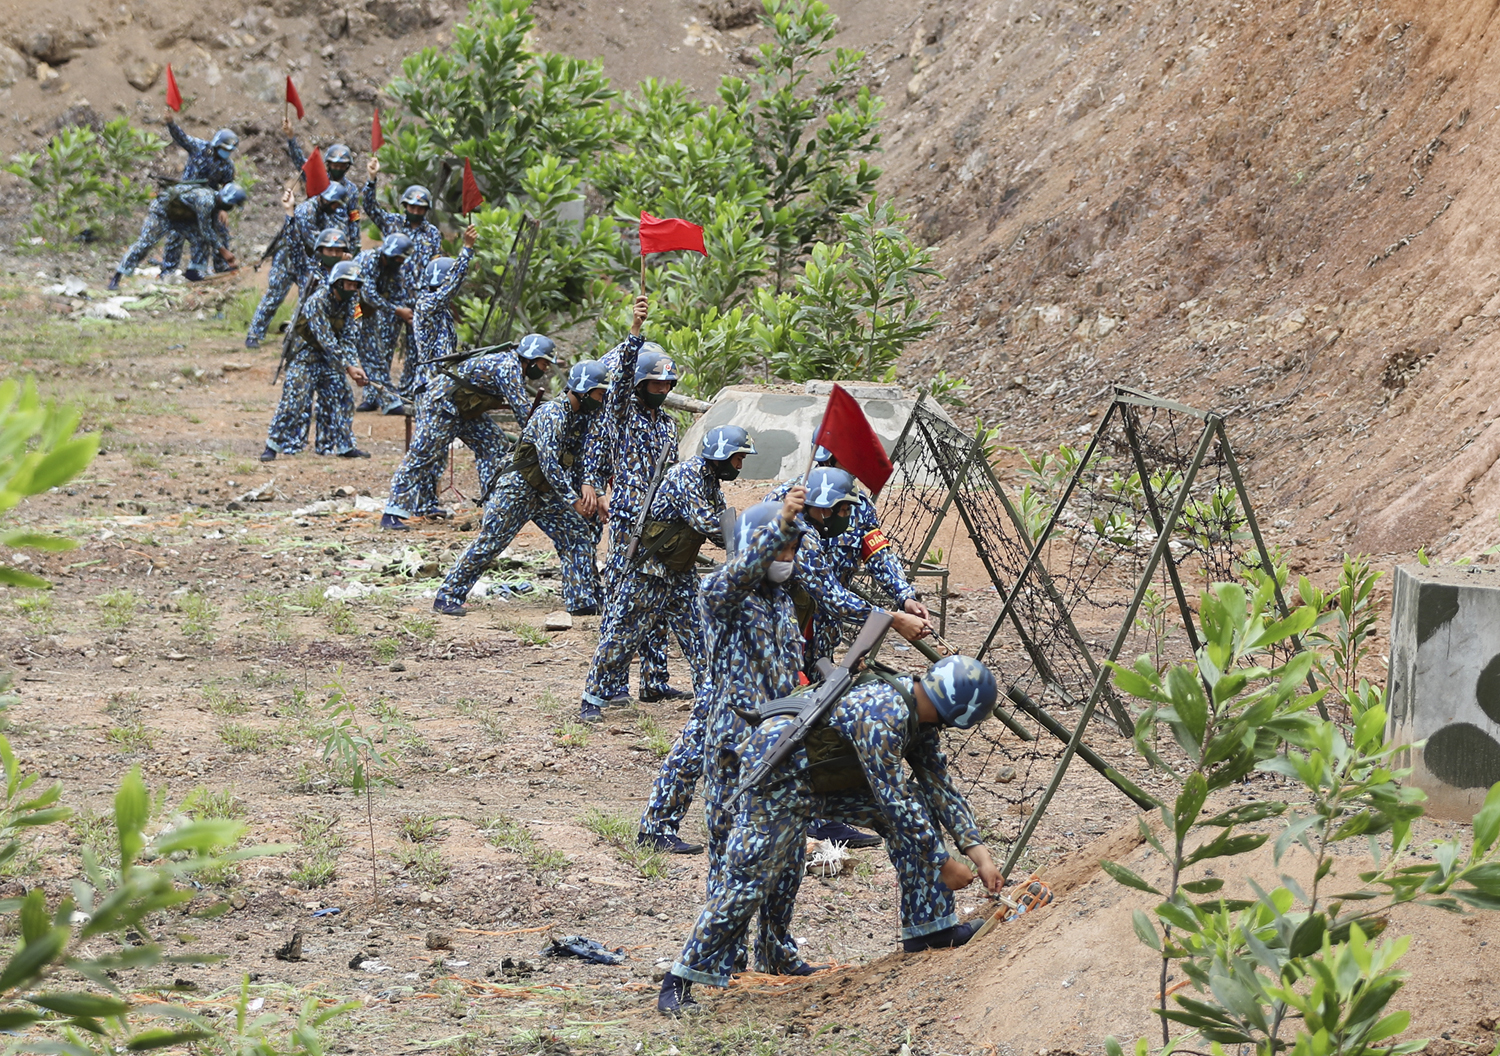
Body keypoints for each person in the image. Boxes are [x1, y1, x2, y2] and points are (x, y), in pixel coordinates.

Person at [657, 654, 1004, 1015]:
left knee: (921, 808)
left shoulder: (920, 715)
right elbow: (892, 799)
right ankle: (680, 979)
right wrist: (944, 862)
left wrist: (979, 854)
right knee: (752, 879)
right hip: (782, 781)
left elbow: (940, 787)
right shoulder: (883, 715)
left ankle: (930, 928)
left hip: (828, 781)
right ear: (961, 713)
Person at [768, 448, 933, 849]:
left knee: (817, 708)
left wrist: (905, 595)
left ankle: (814, 812)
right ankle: (779, 801)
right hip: (783, 625)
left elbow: (879, 554)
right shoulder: (787, 508)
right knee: (786, 710)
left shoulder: (857, 506)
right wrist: (893, 619)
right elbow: (827, 590)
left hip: (823, 626)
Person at [577, 424, 754, 727]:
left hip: (679, 572)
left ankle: (711, 697)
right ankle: (592, 698)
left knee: (701, 634)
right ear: (722, 455)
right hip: (650, 571)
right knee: (622, 636)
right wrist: (753, 533)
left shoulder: (710, 482)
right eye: (737, 458)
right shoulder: (689, 476)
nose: (740, 465)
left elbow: (722, 530)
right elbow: (708, 523)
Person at [431, 360, 610, 616]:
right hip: (518, 489)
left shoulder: (584, 417)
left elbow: (582, 459)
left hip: (546, 492)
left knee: (576, 534)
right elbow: (549, 463)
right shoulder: (553, 414)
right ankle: (448, 595)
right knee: (491, 542)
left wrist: (596, 491)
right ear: (583, 389)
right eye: (600, 393)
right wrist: (573, 500)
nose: (603, 400)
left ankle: (581, 599)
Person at [581, 295, 691, 704]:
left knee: (658, 601)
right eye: (655, 383)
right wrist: (634, 333)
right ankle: (608, 687)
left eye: (667, 384)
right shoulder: (622, 414)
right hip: (629, 519)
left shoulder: (668, 426)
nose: (662, 389)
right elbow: (622, 376)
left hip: (662, 522)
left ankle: (655, 681)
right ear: (641, 385)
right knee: (623, 604)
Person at [382, 324, 558, 533]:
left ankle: (493, 508)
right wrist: (544, 438)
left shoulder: (512, 364)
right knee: (422, 456)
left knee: (494, 445)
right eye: (544, 363)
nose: (545, 369)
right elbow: (522, 411)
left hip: (464, 411)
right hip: (441, 407)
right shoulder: (507, 367)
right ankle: (393, 513)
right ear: (530, 358)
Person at [260, 260, 371, 462]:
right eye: (350, 284)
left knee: (343, 396)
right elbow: (326, 338)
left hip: (331, 359)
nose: (354, 288)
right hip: (306, 356)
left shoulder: (354, 304)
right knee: (294, 401)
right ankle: (272, 445)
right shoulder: (317, 300)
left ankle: (345, 446)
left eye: (357, 284)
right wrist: (348, 366)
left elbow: (350, 337)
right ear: (338, 283)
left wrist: (354, 364)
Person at [363, 158, 442, 393]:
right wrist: (371, 179)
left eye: (420, 209)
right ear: (404, 206)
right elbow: (370, 208)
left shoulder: (433, 234)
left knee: (415, 348)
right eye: (412, 207)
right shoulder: (393, 223)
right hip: (392, 296)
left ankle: (407, 392)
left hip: (419, 299)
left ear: (426, 210)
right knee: (382, 346)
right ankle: (375, 391)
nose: (415, 212)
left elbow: (435, 265)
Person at [109, 183, 246, 290]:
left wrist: (223, 252)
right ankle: (118, 276)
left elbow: (213, 232)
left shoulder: (215, 203)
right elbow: (206, 229)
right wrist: (224, 251)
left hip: (182, 218)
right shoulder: (206, 201)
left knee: (200, 239)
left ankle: (194, 271)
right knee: (146, 243)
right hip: (162, 213)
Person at [159, 116, 237, 277]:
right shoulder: (199, 148)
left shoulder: (227, 166)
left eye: (230, 150)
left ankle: (218, 265)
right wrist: (171, 123)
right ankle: (168, 270)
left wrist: (224, 209)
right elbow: (181, 138)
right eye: (225, 148)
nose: (226, 153)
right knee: (177, 233)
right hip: (186, 198)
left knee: (218, 230)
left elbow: (227, 187)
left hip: (209, 202)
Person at [348, 233, 414, 414]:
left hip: (368, 313)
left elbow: (397, 294)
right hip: (352, 309)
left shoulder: (394, 271)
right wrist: (397, 310)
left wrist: (406, 312)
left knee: (375, 357)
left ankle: (381, 399)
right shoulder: (368, 260)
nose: (399, 261)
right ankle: (384, 400)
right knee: (361, 355)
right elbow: (368, 295)